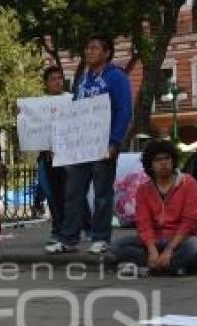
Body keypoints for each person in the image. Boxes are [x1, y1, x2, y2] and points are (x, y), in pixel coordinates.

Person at [46, 34, 132, 255]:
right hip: (80, 146)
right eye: (87, 48)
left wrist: (115, 141)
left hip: (103, 144)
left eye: (94, 48)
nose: (89, 51)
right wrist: (63, 139)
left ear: (106, 52)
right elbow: (75, 112)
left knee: (102, 193)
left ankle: (101, 237)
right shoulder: (83, 80)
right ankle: (69, 238)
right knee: (73, 192)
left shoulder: (117, 77)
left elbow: (124, 111)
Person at [111, 139, 197, 277]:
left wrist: (170, 249)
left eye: (167, 158)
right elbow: (143, 224)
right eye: (158, 160)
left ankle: (148, 267)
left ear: (173, 160)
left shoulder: (188, 183)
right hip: (155, 240)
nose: (163, 163)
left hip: (181, 240)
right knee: (117, 246)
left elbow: (190, 221)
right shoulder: (143, 189)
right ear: (150, 165)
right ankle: (172, 266)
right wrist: (152, 250)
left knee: (196, 247)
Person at [36, 66, 69, 244]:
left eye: (60, 78)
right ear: (46, 84)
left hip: (68, 158)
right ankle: (57, 230)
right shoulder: (39, 104)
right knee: (52, 195)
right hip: (47, 158)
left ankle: (73, 230)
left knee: (68, 195)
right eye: (53, 79)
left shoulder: (70, 100)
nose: (58, 82)